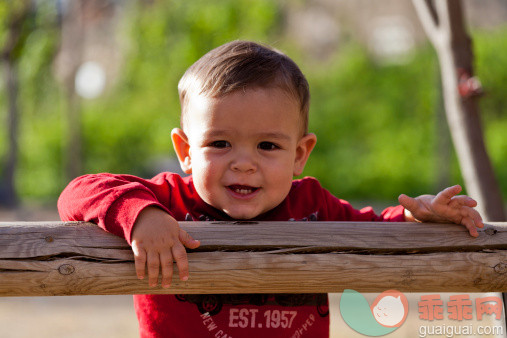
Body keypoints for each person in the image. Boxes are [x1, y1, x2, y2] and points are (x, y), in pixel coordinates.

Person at [58, 40, 484, 337]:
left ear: (300, 154)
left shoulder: (312, 205)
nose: (244, 162)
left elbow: (371, 230)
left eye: (267, 145)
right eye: (219, 143)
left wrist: (415, 215)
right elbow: (77, 192)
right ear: (185, 150)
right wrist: (142, 217)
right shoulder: (168, 200)